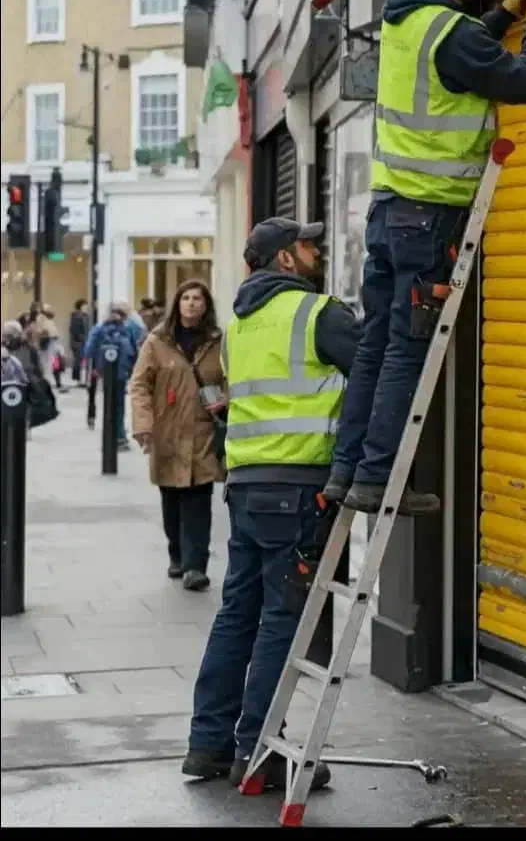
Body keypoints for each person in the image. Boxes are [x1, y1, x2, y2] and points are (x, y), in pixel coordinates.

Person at [322, 0, 526, 516]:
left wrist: (502, 14)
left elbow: (459, 61)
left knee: (376, 344)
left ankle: (347, 472)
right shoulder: (448, 31)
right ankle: (379, 479)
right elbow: (521, 81)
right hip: (429, 216)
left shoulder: (404, 23)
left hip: (389, 213)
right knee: (406, 347)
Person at [182, 217, 360, 790]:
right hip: (299, 488)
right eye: (307, 245)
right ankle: (259, 749)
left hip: (248, 486)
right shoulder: (318, 313)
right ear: (285, 259)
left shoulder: (237, 323)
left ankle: (206, 746)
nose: (315, 252)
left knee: (238, 613)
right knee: (283, 620)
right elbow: (372, 371)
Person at [130, 280, 226, 592]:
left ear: (206, 304)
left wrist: (225, 399)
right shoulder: (157, 341)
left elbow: (233, 377)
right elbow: (140, 385)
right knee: (171, 498)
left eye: (198, 298)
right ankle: (177, 554)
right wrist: (143, 425)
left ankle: (195, 566)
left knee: (199, 499)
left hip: (202, 432)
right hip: (167, 432)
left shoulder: (218, 341)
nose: (191, 303)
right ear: (177, 303)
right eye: (186, 297)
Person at [83, 303, 139, 448]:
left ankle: (111, 436)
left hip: (105, 372)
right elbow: (135, 351)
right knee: (119, 404)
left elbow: (88, 350)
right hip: (122, 373)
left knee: (109, 404)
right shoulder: (128, 329)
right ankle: (119, 436)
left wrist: (94, 367)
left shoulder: (99, 329)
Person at [2, 320, 57, 429]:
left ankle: (25, 425)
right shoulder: (24, 347)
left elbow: (37, 367)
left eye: (7, 334)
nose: (4, 336)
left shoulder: (28, 348)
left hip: (25, 383)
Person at [69, 299, 90, 385]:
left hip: (83, 342)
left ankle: (83, 380)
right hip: (78, 343)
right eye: (85, 306)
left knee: (83, 362)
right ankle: (79, 380)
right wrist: (84, 340)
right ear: (80, 307)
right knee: (78, 362)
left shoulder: (86, 316)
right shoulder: (77, 316)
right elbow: (75, 331)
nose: (86, 308)